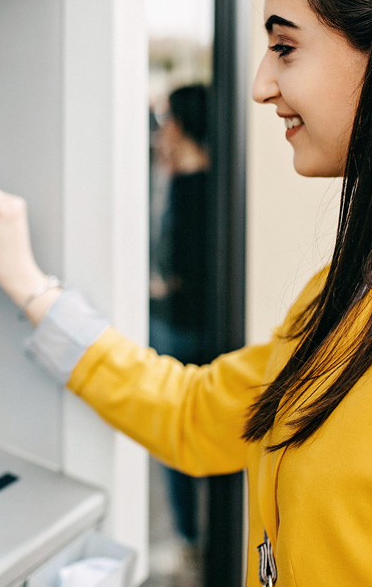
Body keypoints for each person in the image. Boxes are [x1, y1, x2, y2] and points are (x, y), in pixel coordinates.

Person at [0, 0, 372, 585]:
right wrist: (28, 286)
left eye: (284, 47)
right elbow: (193, 414)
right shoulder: (349, 289)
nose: (260, 85)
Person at [149, 84, 210, 574]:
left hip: (183, 330)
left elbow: (187, 273)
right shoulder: (190, 181)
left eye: (166, 118)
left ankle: (190, 538)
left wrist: (158, 288)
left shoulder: (194, 190)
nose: (159, 129)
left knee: (175, 435)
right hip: (185, 327)